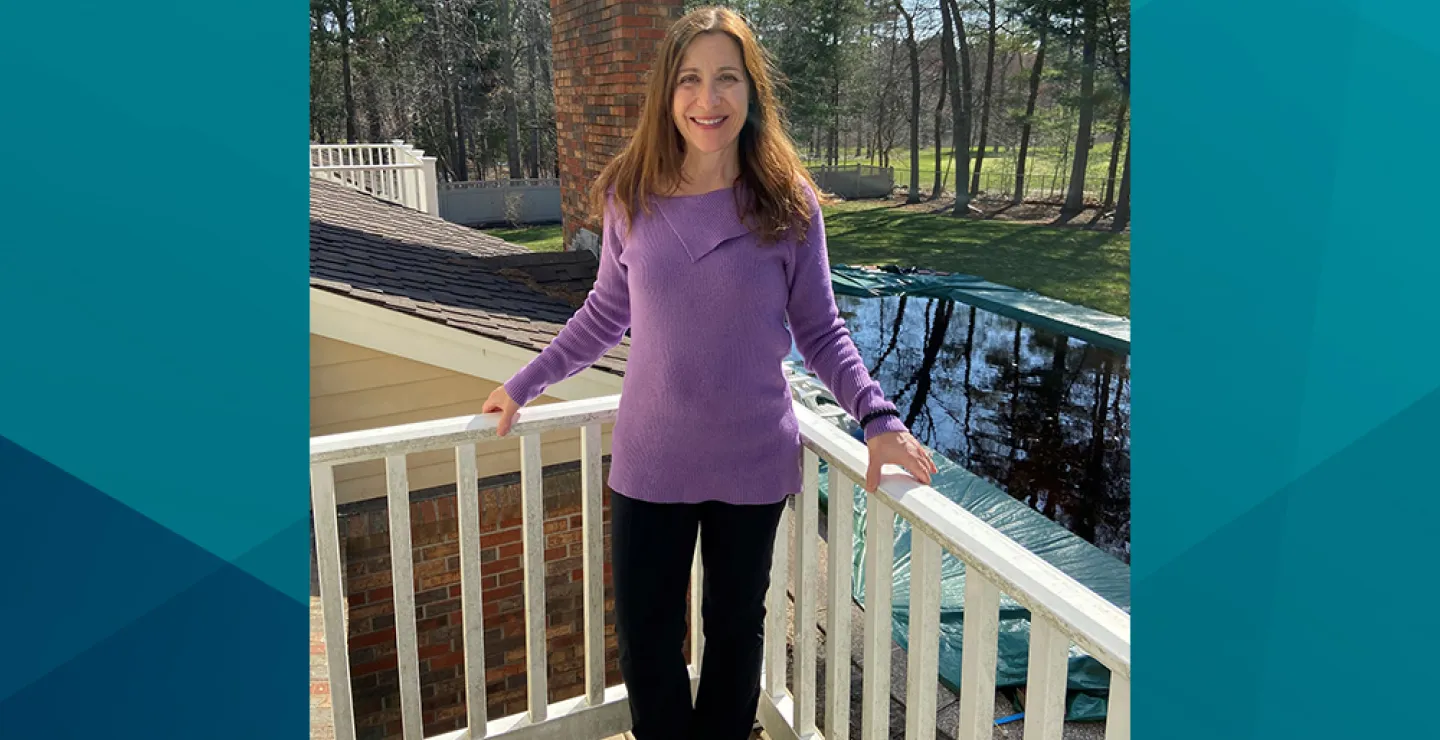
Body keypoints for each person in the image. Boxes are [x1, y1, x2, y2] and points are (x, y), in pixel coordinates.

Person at [482, 7, 936, 739]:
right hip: (651, 461)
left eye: (727, 78)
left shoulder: (789, 204)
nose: (708, 98)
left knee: (735, 638)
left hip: (752, 461)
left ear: (752, 92)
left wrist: (879, 420)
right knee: (647, 643)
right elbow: (605, 313)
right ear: (668, 93)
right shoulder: (629, 193)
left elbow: (820, 330)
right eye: (691, 79)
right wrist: (523, 383)